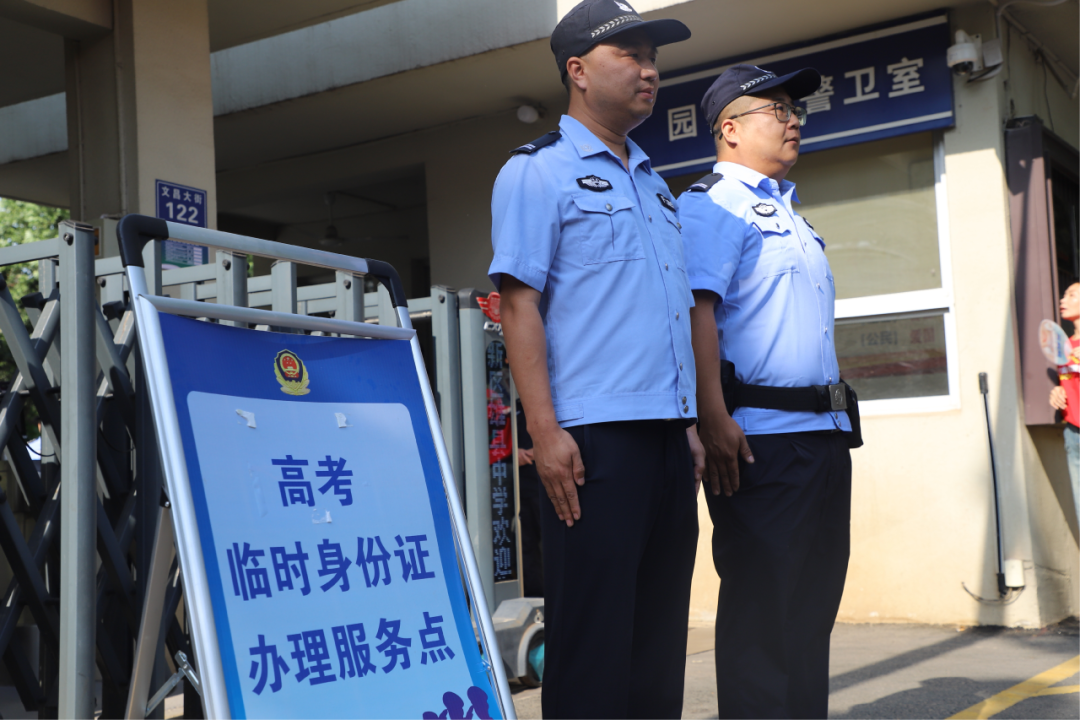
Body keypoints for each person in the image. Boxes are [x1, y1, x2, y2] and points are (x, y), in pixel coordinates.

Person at [488, 1, 703, 717]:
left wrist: (689, 425)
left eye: (653, 57)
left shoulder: (654, 184)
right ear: (577, 71)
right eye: (630, 55)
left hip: (667, 440)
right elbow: (519, 306)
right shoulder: (537, 172)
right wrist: (544, 432)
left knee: (656, 648)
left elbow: (666, 312)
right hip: (593, 445)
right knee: (593, 649)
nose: (649, 70)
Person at [678, 64, 859, 720]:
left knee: (810, 618)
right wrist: (712, 417)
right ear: (729, 129)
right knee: (764, 620)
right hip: (761, 445)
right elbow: (696, 312)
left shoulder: (790, 214)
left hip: (822, 439)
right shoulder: (711, 204)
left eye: (795, 110)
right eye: (776, 109)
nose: (794, 121)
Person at [1049, 282, 1080, 528]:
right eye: (1063, 295)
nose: (1063, 300)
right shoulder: (1064, 348)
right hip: (1073, 431)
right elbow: (1068, 382)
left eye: (1071, 295)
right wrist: (1058, 390)